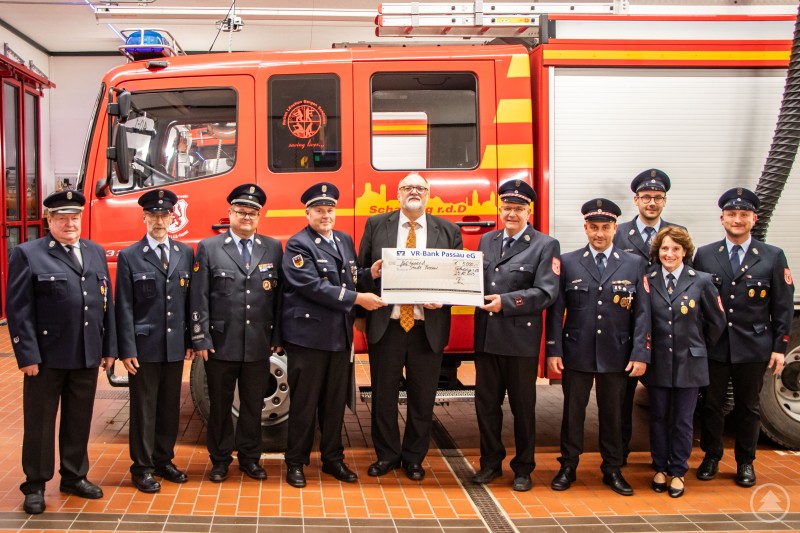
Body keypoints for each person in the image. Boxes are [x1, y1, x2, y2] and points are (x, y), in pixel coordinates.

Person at [6, 190, 116, 515]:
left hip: (86, 353)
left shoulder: (95, 251)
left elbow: (105, 302)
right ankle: (35, 484)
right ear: (49, 220)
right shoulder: (28, 254)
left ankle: (74, 476)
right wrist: (27, 354)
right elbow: (18, 309)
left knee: (78, 419)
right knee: (40, 423)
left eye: (75, 217)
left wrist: (108, 347)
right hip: (46, 357)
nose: (70, 224)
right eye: (62, 218)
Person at [357, 172, 463, 481]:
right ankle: (387, 456)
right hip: (387, 325)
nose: (414, 192)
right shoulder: (377, 225)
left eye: (420, 188)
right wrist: (370, 277)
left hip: (426, 327)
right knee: (383, 396)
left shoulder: (449, 230)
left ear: (428, 195)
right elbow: (360, 270)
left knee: (422, 397)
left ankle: (415, 459)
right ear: (398, 194)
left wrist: (443, 301)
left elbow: (459, 279)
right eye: (408, 187)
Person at [281, 182, 385, 488]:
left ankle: (332, 459)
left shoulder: (343, 239)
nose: (326, 215)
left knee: (334, 402)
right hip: (308, 338)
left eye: (330, 210)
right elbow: (313, 286)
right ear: (308, 213)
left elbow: (348, 277)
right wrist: (358, 299)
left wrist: (370, 274)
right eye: (319, 210)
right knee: (305, 403)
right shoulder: (298, 244)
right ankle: (296, 462)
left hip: (339, 337)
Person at [546, 198, 650, 496]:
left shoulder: (633, 263)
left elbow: (642, 313)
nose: (599, 233)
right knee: (573, 412)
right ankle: (568, 465)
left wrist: (640, 353)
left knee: (614, 413)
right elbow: (556, 310)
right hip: (576, 350)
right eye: (594, 227)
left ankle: (613, 468)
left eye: (605, 227)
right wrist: (554, 350)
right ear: (586, 228)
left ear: (615, 228)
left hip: (617, 352)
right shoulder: (568, 262)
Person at [693, 187, 794, 487]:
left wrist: (779, 347)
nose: (737, 220)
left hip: (753, 346)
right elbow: (696, 300)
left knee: (748, 407)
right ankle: (711, 456)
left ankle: (745, 462)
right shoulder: (706, 255)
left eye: (744, 215)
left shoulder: (772, 256)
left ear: (754, 219)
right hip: (715, 346)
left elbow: (783, 305)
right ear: (722, 218)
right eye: (732, 214)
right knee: (711, 404)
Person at [190, 183, 283, 483]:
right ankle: (219, 460)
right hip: (220, 343)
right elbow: (199, 296)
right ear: (229, 213)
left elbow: (279, 298)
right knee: (220, 406)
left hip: (258, 343)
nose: (246, 217)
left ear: (259, 217)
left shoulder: (273, 247)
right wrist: (200, 337)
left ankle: (250, 458)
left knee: (253, 405)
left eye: (252, 213)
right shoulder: (209, 247)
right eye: (241, 211)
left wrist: (277, 337)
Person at [471, 180, 561, 492]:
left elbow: (546, 292)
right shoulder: (487, 240)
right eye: (507, 207)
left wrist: (507, 303)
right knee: (486, 406)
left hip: (520, 342)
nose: (511, 213)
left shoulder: (545, 245)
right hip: (486, 339)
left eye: (518, 208)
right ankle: (490, 464)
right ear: (500, 209)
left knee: (522, 409)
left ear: (528, 211)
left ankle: (523, 468)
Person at [115, 188, 194, 493]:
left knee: (169, 408)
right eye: (153, 215)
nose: (159, 221)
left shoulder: (184, 253)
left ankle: (164, 460)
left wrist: (190, 339)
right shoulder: (130, 256)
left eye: (164, 215)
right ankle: (142, 468)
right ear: (144, 218)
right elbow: (124, 306)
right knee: (144, 410)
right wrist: (126, 349)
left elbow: (189, 302)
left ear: (173, 218)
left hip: (174, 346)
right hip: (143, 347)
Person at [643, 226, 726, 498]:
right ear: (658, 251)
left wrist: (697, 346)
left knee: (683, 419)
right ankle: (659, 467)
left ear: (685, 251)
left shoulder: (701, 281)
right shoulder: (648, 279)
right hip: (658, 362)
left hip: (689, 363)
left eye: (676, 249)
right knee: (658, 417)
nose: (670, 254)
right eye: (665, 248)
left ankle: (678, 471)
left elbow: (717, 322)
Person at [613, 168, 686, 464]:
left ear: (665, 201)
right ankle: (619, 456)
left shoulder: (676, 235)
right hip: (627, 328)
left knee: (665, 401)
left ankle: (666, 459)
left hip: (666, 329)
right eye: (646, 197)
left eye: (658, 197)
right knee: (622, 399)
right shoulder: (618, 234)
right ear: (636, 200)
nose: (652, 202)